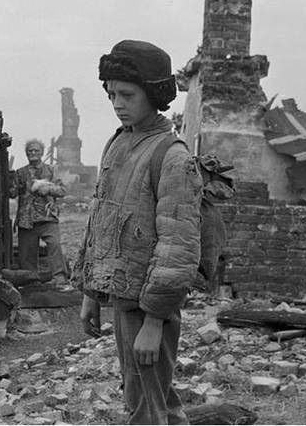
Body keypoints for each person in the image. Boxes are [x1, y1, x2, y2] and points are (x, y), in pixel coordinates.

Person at [71, 40, 203, 424]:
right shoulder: (118, 143)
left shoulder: (172, 156)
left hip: (150, 308)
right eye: (111, 94)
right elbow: (101, 221)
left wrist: (155, 321)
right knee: (151, 400)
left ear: (155, 94)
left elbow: (178, 248)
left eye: (127, 94)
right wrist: (91, 293)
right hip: (122, 298)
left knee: (147, 408)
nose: (117, 103)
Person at [9, 139, 68, 283]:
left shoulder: (51, 170)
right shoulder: (20, 173)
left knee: (55, 246)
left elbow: (62, 190)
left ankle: (59, 278)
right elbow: (12, 194)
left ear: (41, 152)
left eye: (36, 150)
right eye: (30, 151)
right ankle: (31, 281)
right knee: (26, 255)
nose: (33, 153)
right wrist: (9, 178)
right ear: (26, 153)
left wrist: (48, 189)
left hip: (47, 218)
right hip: (26, 220)